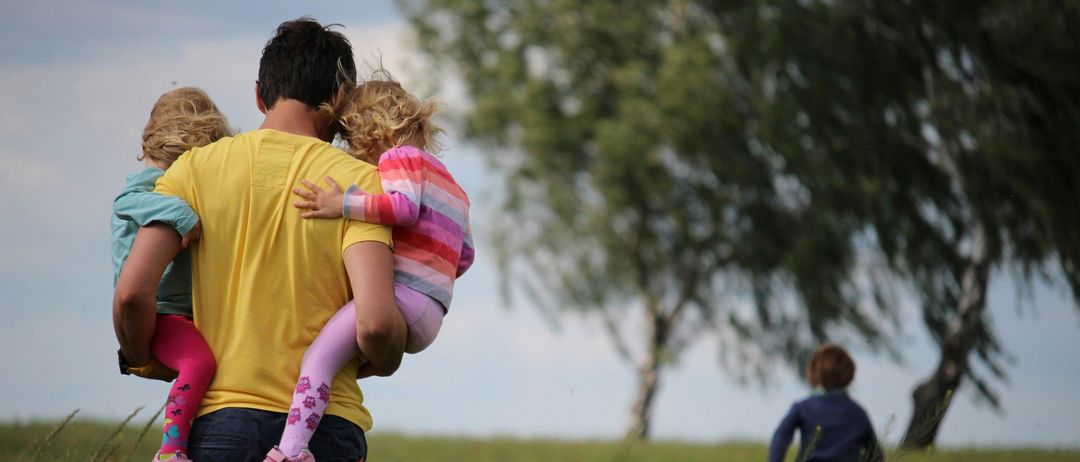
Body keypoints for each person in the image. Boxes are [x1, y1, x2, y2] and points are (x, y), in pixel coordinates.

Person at [113, 17, 407, 462]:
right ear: (340, 99)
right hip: (324, 430)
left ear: (258, 94)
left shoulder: (191, 170)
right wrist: (385, 358)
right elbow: (377, 324)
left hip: (219, 426)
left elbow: (133, 293)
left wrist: (143, 359)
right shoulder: (361, 186)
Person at [266, 76, 475, 461]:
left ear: (370, 132)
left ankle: (291, 451)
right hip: (432, 313)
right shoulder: (456, 189)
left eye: (352, 141)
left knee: (317, 359)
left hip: (402, 299)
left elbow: (403, 208)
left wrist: (343, 203)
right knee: (342, 360)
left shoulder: (400, 158)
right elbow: (465, 257)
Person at [112, 87, 229, 462]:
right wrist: (182, 215)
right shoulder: (151, 183)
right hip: (161, 310)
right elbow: (125, 203)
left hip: (181, 310)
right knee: (199, 364)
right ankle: (170, 450)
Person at [768, 343, 882, 462]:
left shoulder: (803, 408)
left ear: (814, 372)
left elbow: (780, 438)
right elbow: (876, 455)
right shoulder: (858, 414)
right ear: (849, 375)